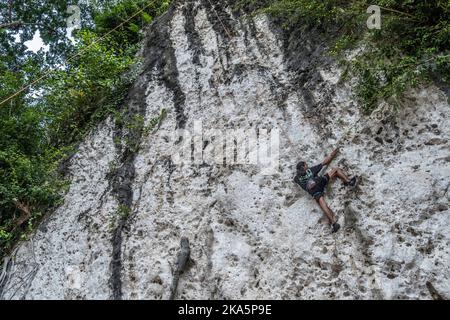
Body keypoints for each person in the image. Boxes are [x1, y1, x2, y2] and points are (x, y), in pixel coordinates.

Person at [294, 149, 357, 233]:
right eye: (306, 165)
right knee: (335, 170)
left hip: (313, 191)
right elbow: (325, 162)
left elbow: (296, 179)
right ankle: (348, 181)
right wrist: (334, 153)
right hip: (319, 181)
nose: (307, 165)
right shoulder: (311, 170)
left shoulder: (297, 178)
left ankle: (334, 223)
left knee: (323, 205)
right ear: (304, 166)